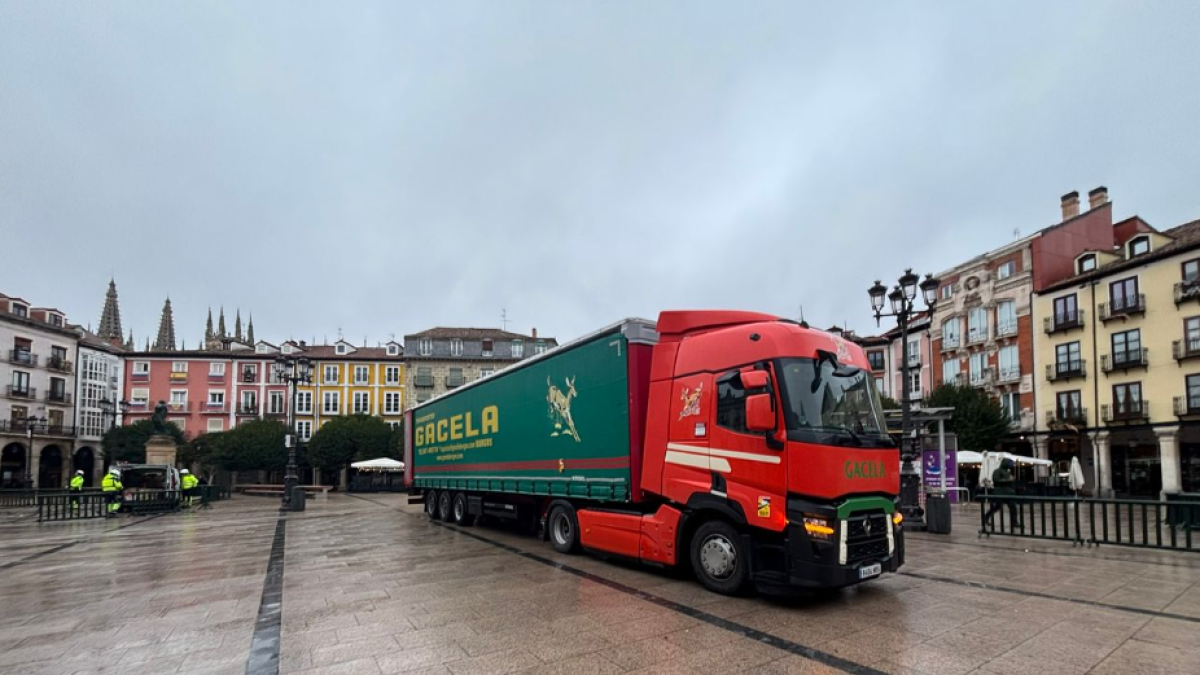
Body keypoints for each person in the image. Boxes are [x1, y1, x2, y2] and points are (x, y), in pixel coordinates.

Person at [984, 458, 1022, 529]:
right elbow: (996, 480)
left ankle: (1014, 522)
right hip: (1000, 492)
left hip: (1009, 494)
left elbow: (1010, 482)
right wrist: (1008, 480)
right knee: (996, 507)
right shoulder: (997, 471)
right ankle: (986, 517)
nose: (1010, 466)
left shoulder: (1007, 472)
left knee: (1013, 508)